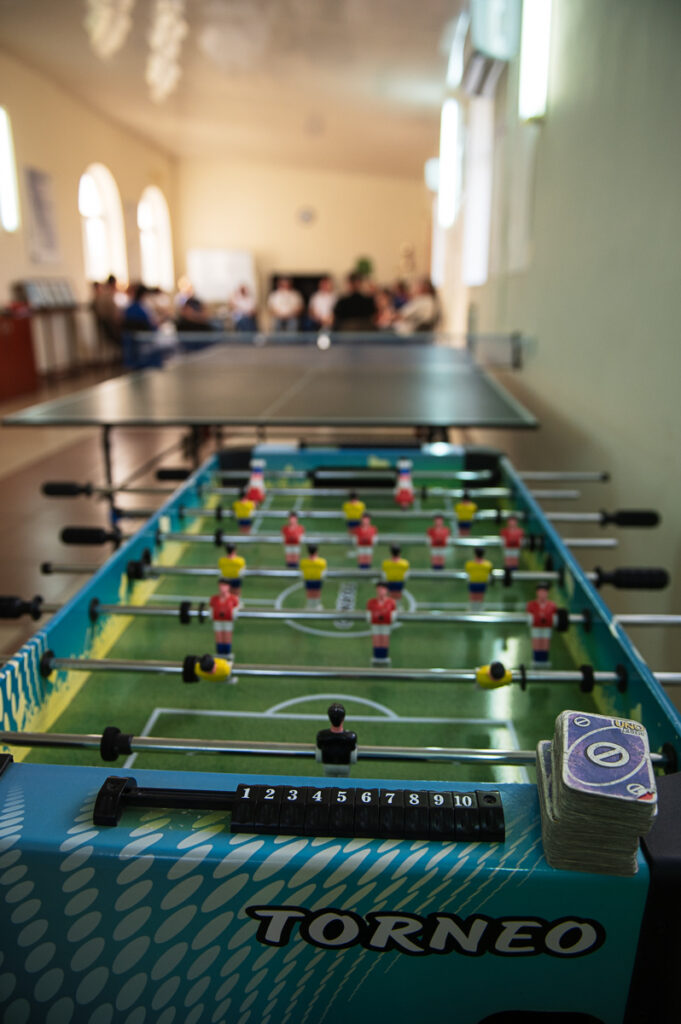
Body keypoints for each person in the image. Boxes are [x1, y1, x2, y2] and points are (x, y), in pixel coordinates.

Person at [315, 703, 357, 777]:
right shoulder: (351, 737)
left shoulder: (321, 736)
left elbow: (319, 747)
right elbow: (353, 748)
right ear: (343, 718)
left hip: (328, 766)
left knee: (329, 783)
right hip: (344, 767)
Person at [526, 583, 558, 665]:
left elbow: (554, 617)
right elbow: (529, 617)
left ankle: (544, 660)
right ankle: (536, 660)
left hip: (546, 627)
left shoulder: (552, 605)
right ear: (537, 592)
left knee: (545, 642)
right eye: (541, 592)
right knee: (536, 642)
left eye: (544, 592)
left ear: (547, 593)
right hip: (536, 628)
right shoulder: (531, 604)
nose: (542, 594)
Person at [366, 582, 397, 666]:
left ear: (386, 590)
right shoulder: (371, 602)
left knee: (384, 639)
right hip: (375, 623)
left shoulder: (391, 602)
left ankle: (384, 657)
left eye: (382, 589)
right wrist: (371, 618)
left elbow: (393, 613)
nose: (380, 591)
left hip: (386, 624)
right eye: (379, 589)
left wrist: (390, 618)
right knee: (376, 639)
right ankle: (376, 657)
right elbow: (369, 613)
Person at [209, 578, 240, 656]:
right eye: (221, 585)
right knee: (219, 638)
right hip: (218, 621)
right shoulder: (214, 599)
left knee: (227, 638)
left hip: (228, 621)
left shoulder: (233, 599)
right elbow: (211, 609)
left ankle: (227, 655)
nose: (222, 588)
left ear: (228, 587)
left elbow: (237, 608)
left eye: (224, 585)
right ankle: (219, 655)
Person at [300, 544, 327, 609]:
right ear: (316, 551)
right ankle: (317, 605)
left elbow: (302, 571)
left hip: (308, 579)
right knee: (317, 592)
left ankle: (309, 605)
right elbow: (324, 572)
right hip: (317, 579)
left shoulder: (303, 562)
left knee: (309, 592)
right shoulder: (322, 561)